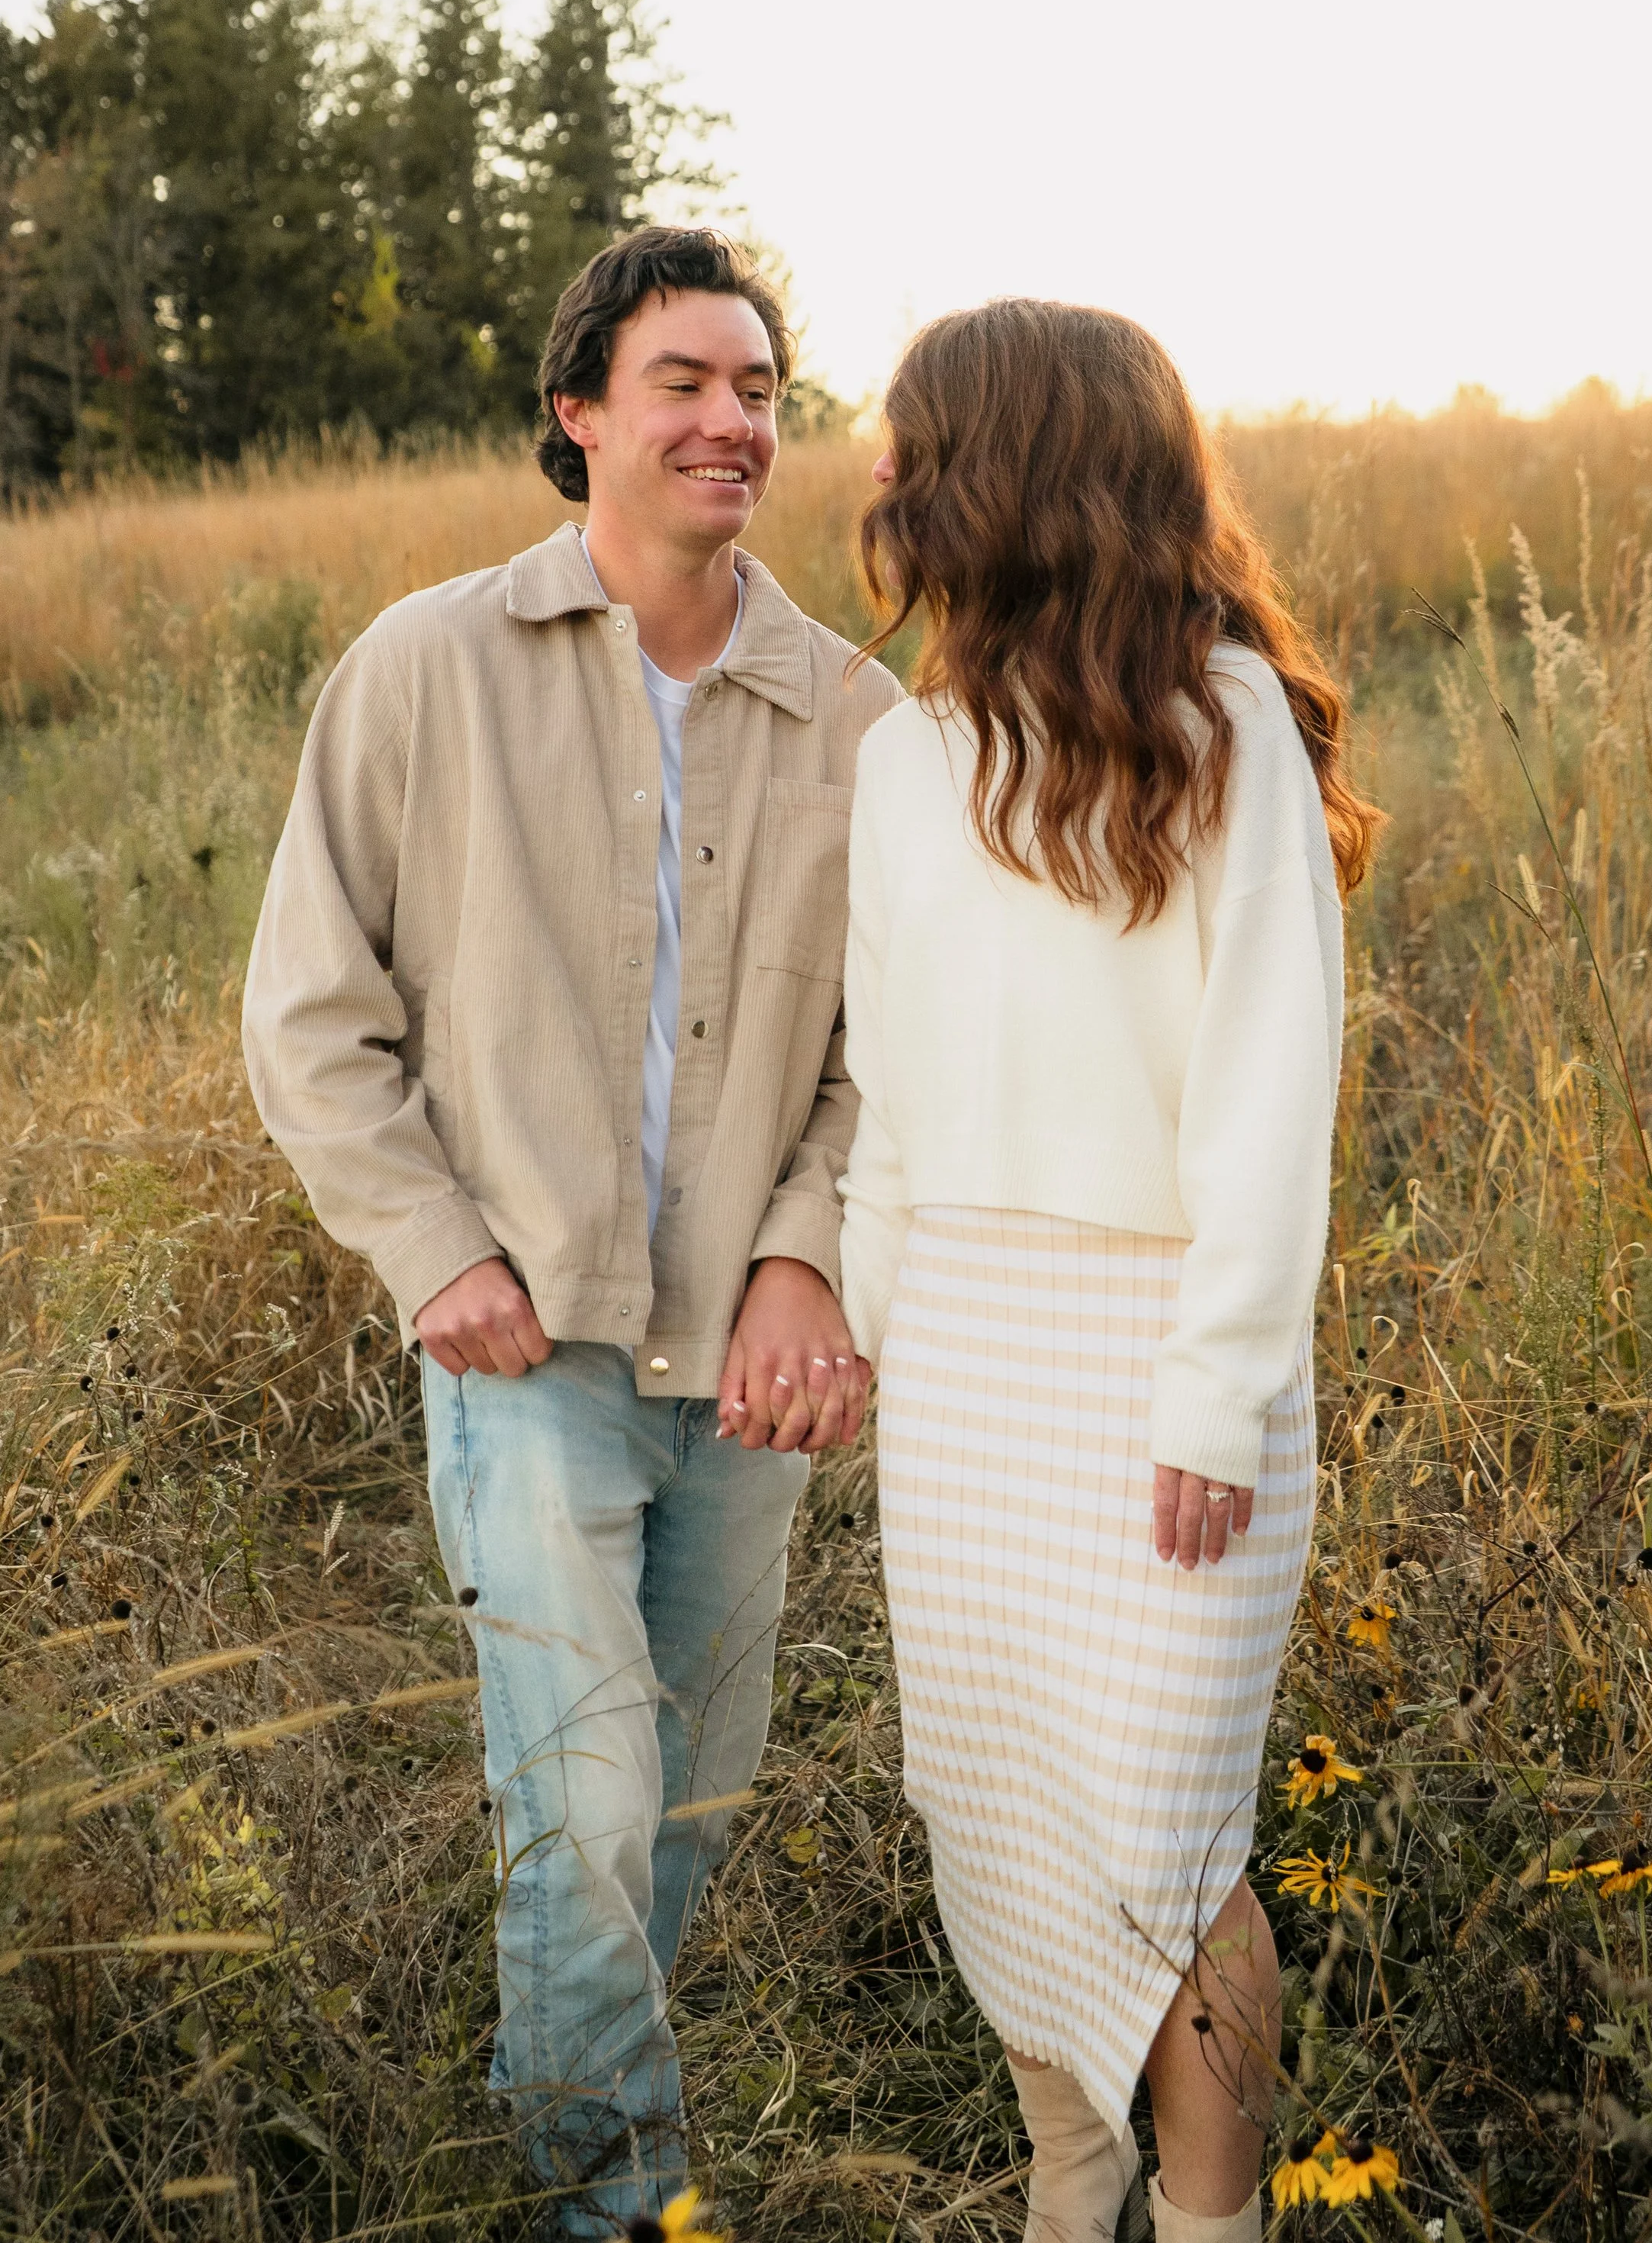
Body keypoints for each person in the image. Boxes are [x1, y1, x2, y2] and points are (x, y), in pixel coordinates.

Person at [243, 225, 900, 2234]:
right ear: (580, 412)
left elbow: (901, 1047)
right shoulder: (425, 665)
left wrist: (809, 1247)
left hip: (751, 1367)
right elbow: (306, 1005)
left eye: (761, 388)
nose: (732, 421)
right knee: (588, 1790)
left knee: (685, 1793)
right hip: (525, 1349)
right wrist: (433, 1244)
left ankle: (570, 2080)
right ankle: (612, 2197)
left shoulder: (862, 717)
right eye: (686, 381)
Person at [838, 301, 1377, 2243]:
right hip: (969, 1371)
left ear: (1012, 460)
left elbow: (1265, 1100)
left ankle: (1214, 2223)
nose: (874, 480)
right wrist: (865, 1338)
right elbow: (888, 1107)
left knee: (1168, 1846)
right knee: (993, 1814)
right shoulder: (906, 762)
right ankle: (1074, 2179)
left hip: (1167, 1356)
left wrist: (1216, 1391)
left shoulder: (1220, 723)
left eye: (908, 444)